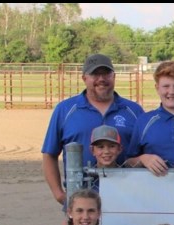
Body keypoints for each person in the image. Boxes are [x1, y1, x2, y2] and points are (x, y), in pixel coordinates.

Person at [41, 53, 143, 206]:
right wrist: (59, 195)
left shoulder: (133, 110)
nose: (101, 79)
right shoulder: (66, 110)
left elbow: (146, 152)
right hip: (82, 199)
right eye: (95, 74)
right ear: (84, 78)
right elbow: (50, 154)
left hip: (126, 197)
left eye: (106, 74)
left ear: (114, 76)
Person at [86, 125, 123, 191]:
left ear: (119, 149)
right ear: (92, 150)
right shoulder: (87, 178)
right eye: (100, 147)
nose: (106, 151)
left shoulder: (126, 175)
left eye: (111, 146)